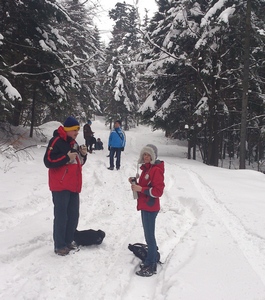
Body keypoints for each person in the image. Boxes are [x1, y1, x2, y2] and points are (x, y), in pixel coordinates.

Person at [43, 116, 87, 256]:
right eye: (75, 130)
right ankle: (60, 245)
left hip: (73, 185)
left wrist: (83, 155)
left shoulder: (73, 143)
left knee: (73, 215)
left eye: (78, 130)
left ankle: (68, 241)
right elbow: (48, 161)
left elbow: (76, 162)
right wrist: (66, 158)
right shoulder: (56, 141)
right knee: (61, 216)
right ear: (67, 130)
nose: (77, 132)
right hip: (60, 185)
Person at [129, 144, 165, 277]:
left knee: (150, 236)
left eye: (149, 155)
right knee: (148, 235)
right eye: (144, 154)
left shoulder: (156, 170)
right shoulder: (146, 169)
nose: (146, 157)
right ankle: (151, 258)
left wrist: (141, 189)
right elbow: (145, 185)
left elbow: (158, 191)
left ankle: (151, 263)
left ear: (154, 156)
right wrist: (135, 183)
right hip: (145, 206)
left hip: (150, 207)